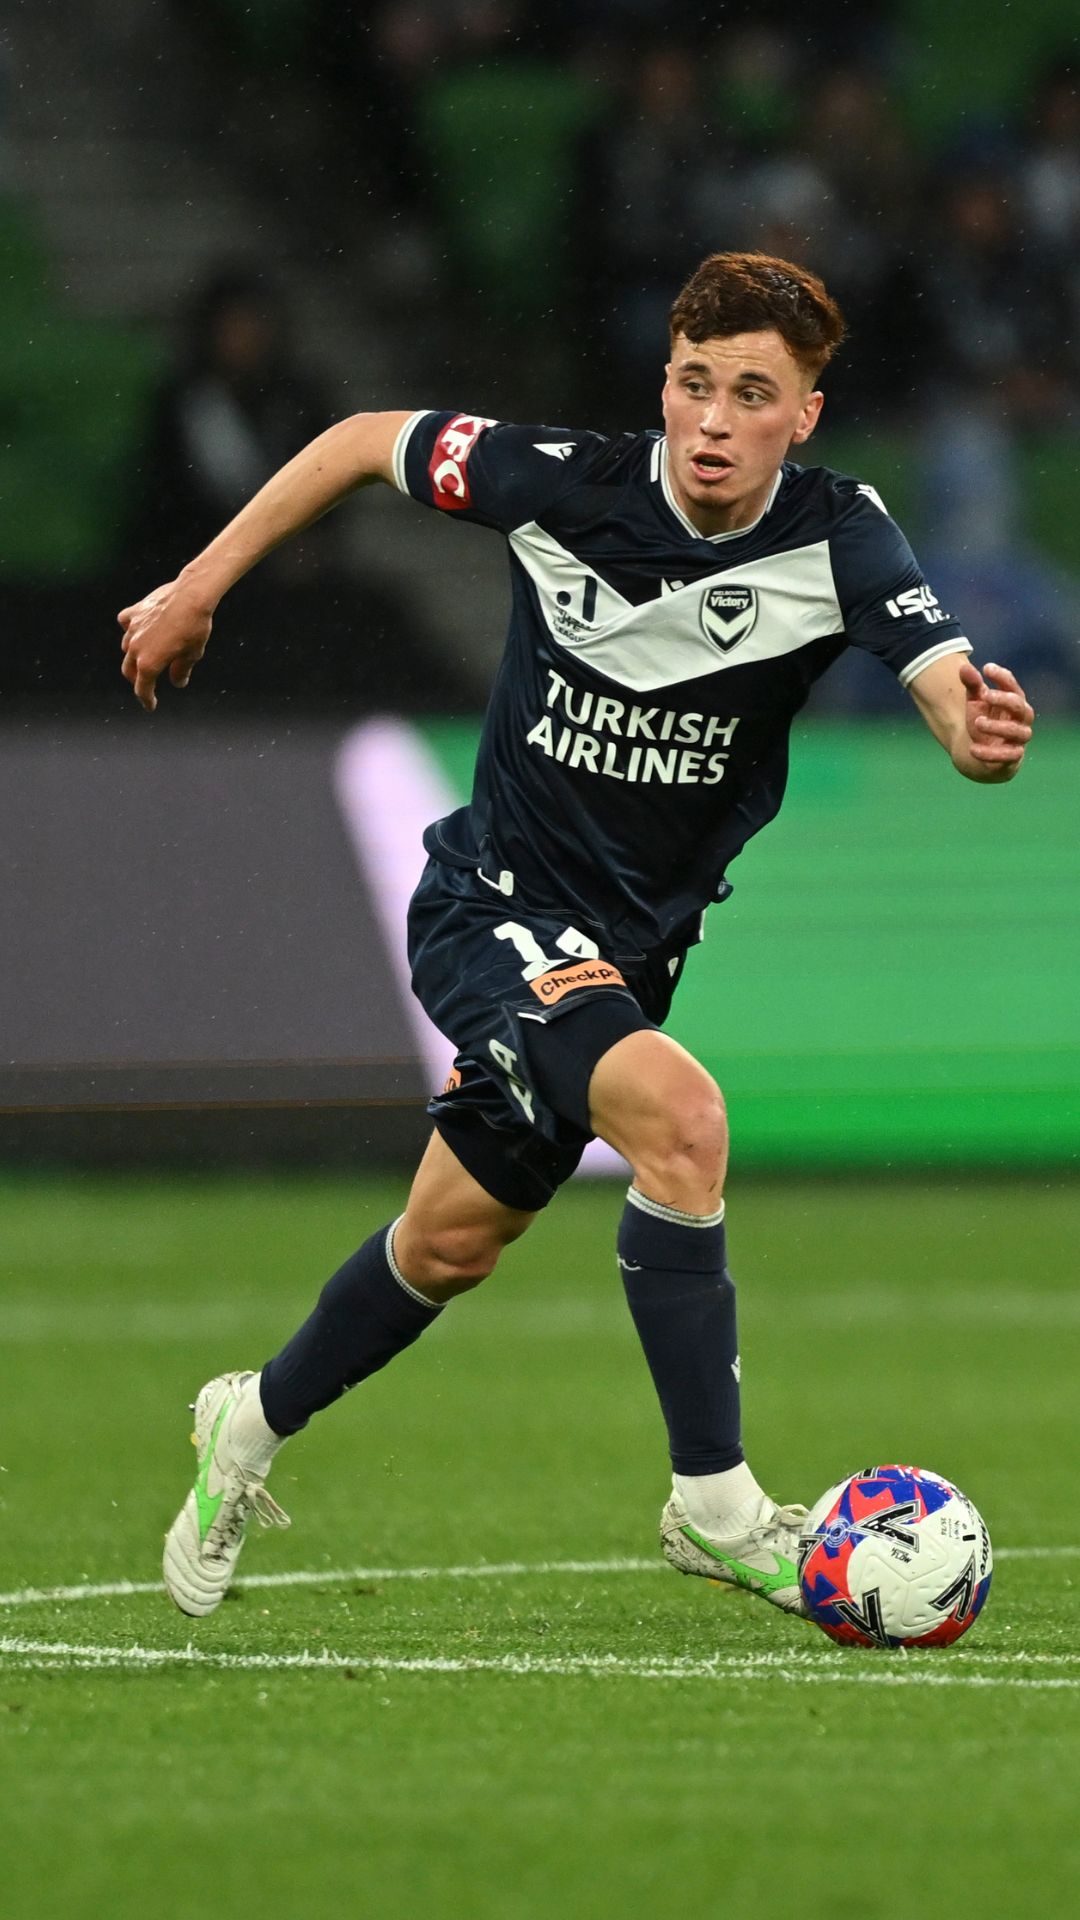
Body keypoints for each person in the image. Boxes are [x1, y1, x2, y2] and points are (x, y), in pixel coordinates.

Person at [118, 251, 1034, 1621]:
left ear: (805, 416)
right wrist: (198, 586)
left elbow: (949, 691)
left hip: (625, 959)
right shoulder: (561, 481)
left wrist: (979, 733)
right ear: (663, 387)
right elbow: (362, 442)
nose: (714, 420)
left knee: (448, 1245)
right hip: (490, 906)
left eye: (752, 395)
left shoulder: (840, 536)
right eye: (694, 384)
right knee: (684, 1122)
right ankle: (715, 1508)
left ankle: (247, 1423)